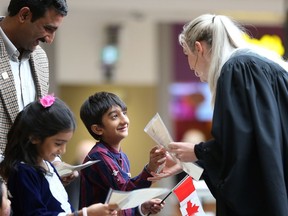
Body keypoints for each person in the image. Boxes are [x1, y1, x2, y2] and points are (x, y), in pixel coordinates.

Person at [149, 14, 288, 216]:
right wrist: (189, 162)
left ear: (199, 48)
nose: (189, 65)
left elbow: (240, 147)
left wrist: (197, 152)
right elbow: (252, 152)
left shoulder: (236, 69)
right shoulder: (265, 66)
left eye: (187, 53)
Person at [0, 94, 117, 216]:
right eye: (58, 143)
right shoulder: (23, 172)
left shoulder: (47, 165)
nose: (63, 150)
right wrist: (84, 214)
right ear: (34, 137)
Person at [79, 91, 166, 215]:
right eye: (115, 116)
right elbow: (125, 195)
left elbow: (121, 202)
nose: (124, 120)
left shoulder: (122, 156)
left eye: (124, 113)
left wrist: (141, 208)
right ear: (98, 129)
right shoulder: (99, 156)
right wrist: (150, 167)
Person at [0, 0, 68, 154]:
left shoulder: (40, 58)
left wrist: (53, 164)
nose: (49, 39)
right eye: (48, 28)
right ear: (24, 15)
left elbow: (39, 124)